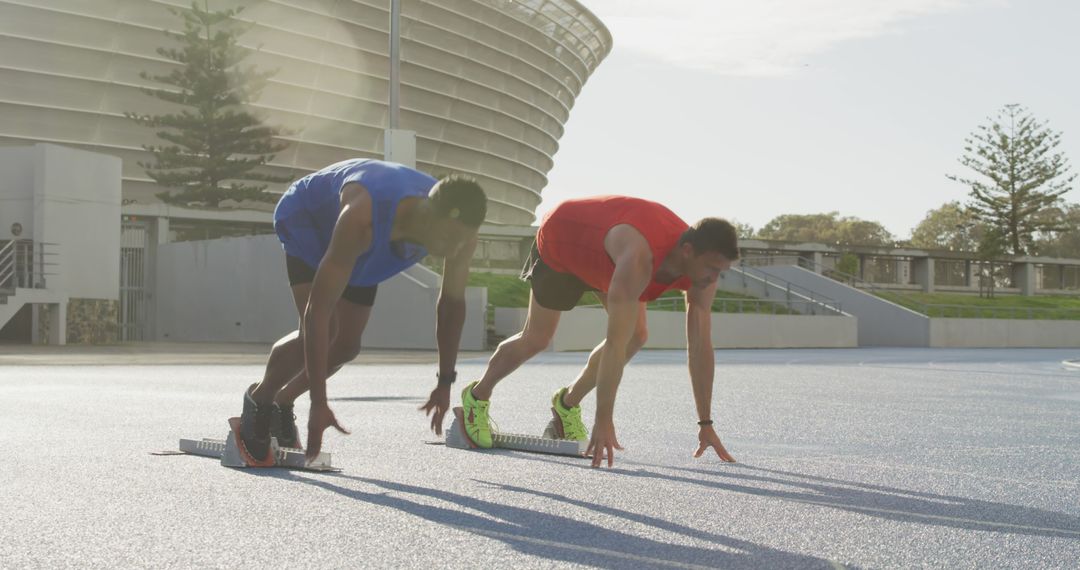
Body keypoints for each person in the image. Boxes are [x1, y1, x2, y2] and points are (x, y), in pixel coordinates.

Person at [236, 158, 486, 464]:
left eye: (461, 241)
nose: (453, 249)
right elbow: (318, 312)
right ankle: (261, 399)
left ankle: (283, 402)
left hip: (373, 244)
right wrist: (319, 402)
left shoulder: (460, 237)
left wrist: (445, 382)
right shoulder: (363, 215)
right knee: (319, 333)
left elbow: (450, 306)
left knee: (345, 346)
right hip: (311, 221)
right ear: (428, 214)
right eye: (448, 238)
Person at [457, 195, 738, 468]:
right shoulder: (639, 258)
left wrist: (705, 423)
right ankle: (477, 397)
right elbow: (614, 344)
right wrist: (603, 419)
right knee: (538, 338)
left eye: (721, 272)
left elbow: (700, 347)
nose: (714, 279)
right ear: (688, 251)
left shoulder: (701, 273)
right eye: (712, 269)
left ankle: (566, 405)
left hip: (606, 258)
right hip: (564, 242)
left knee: (637, 336)